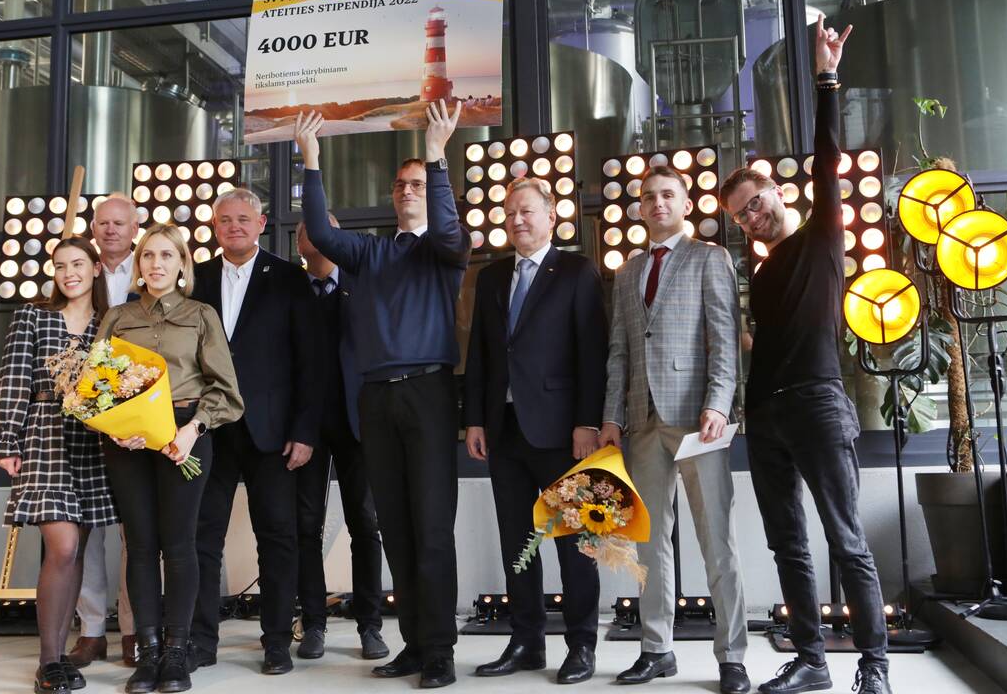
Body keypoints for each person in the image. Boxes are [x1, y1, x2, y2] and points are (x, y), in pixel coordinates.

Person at [721, 17, 890, 694]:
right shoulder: (760, 273)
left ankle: (874, 667)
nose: (752, 216)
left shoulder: (822, 236)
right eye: (741, 215)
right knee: (786, 542)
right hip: (765, 416)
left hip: (819, 404)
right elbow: (770, 339)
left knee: (845, 539)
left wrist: (827, 77)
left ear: (777, 192)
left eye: (756, 202)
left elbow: (826, 157)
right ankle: (812, 661)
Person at [298, 101, 470, 689]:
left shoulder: (444, 248)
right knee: (394, 526)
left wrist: (437, 154)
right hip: (375, 398)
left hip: (428, 391)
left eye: (417, 184)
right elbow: (322, 234)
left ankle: (440, 651)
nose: (407, 191)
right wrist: (311, 160)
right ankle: (415, 645)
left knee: (432, 528)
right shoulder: (370, 252)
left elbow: (448, 231)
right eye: (400, 184)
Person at [599, 164, 749, 693]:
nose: (657, 203)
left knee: (717, 540)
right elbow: (619, 351)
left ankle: (732, 657)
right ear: (639, 208)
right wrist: (612, 417)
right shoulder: (627, 272)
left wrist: (719, 403)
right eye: (648, 196)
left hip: (698, 420)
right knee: (648, 543)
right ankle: (656, 648)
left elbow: (725, 338)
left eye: (667, 195)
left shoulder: (710, 258)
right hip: (641, 421)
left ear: (686, 205)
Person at [464, 177, 607, 685]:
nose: (517, 220)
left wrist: (587, 422)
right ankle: (526, 641)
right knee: (517, 544)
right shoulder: (491, 276)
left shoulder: (577, 271)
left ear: (551, 216)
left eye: (526, 211)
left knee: (575, 542)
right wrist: (475, 418)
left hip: (564, 432)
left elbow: (593, 352)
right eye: (509, 213)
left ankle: (581, 645)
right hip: (504, 431)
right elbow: (480, 353)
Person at [97, 223, 244, 693]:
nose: (156, 264)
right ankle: (148, 653)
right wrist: (117, 428)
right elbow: (98, 387)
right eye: (148, 255)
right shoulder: (118, 317)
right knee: (140, 545)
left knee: (180, 545)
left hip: (185, 434)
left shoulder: (201, 315)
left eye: (166, 255)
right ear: (138, 265)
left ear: (182, 264)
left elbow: (226, 391)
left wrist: (193, 428)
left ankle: (178, 653)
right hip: (128, 441)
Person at [188, 188, 320, 675]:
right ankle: (201, 641)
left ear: (261, 224)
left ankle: (277, 642)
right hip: (209, 430)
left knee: (278, 538)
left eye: (243, 219)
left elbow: (310, 363)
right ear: (215, 227)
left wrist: (305, 431)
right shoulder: (195, 279)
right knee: (202, 537)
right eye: (225, 220)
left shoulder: (289, 278)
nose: (235, 227)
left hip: (273, 433)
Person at [0, 236, 117, 694]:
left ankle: (60, 656)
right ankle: (47, 662)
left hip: (93, 442)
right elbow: (13, 379)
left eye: (77, 264)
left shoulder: (110, 322)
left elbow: (118, 388)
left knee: (77, 550)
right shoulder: (32, 316)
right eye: (60, 266)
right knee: (62, 547)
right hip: (44, 437)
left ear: (96, 268)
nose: (69, 273)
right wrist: (6, 440)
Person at [295, 215, 388, 662]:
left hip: (359, 424)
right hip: (305, 428)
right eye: (306, 229)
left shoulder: (363, 283)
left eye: (324, 228)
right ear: (298, 243)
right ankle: (313, 623)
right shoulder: (290, 289)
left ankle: (370, 625)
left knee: (365, 525)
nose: (315, 235)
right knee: (305, 527)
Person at [70, 195, 139, 668]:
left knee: (138, 530)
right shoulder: (82, 271)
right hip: (85, 416)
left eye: (119, 223)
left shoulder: (149, 268)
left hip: (137, 412)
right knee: (87, 531)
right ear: (93, 227)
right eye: (103, 222)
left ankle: (134, 629)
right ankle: (91, 631)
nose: (110, 230)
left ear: (135, 228)